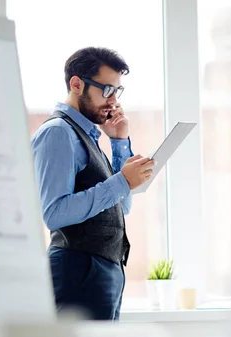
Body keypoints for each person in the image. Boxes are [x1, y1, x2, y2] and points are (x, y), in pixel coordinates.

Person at [31, 47, 154, 321]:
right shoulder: (58, 133)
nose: (112, 101)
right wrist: (122, 180)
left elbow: (122, 207)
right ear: (77, 84)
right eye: (106, 90)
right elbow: (54, 213)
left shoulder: (88, 136)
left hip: (103, 272)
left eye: (117, 92)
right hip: (78, 271)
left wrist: (118, 141)